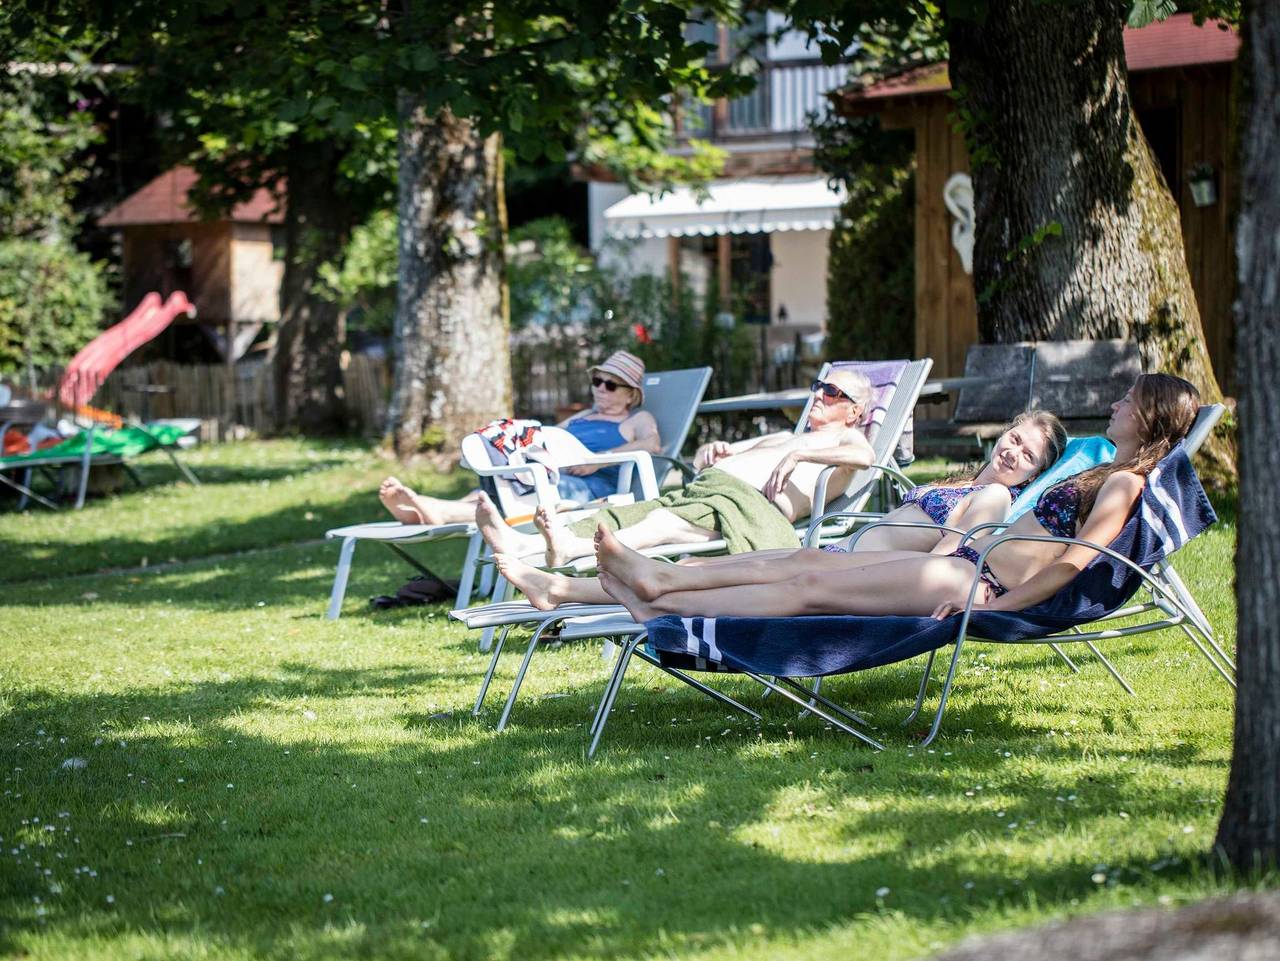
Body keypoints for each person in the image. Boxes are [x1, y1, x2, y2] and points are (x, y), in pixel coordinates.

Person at [592, 373, 1200, 623]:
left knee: (810, 589)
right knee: (807, 564)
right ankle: (660, 587)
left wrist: (997, 608)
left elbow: (1073, 563)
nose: (1117, 403)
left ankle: (664, 597)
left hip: (971, 582)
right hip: (964, 565)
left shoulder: (1123, 482)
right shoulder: (1109, 473)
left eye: (1129, 399)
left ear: (1146, 417)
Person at [492, 410, 1066, 610]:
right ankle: (560, 590)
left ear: (1036, 472)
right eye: (1013, 438)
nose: (1012, 451)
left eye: (1027, 454)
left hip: (856, 573)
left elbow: (947, 556)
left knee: (700, 579)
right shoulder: (969, 482)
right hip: (842, 558)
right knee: (696, 577)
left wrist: (884, 578)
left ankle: (561, 589)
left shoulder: (993, 498)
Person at [476, 367, 878, 567]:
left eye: (832, 391)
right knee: (623, 513)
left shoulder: (844, 439)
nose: (819, 395)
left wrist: (800, 456)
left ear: (855, 410)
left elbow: (866, 459)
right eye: (818, 388)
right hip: (711, 490)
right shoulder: (786, 436)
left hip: (747, 509)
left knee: (664, 525)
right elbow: (728, 449)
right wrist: (713, 449)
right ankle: (526, 545)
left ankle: (570, 549)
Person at [377, 351, 660, 526]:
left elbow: (652, 445)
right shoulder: (582, 415)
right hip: (554, 477)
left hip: (590, 487)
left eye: (610, 385)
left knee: (513, 491)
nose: (600, 389)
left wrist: (598, 462)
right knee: (505, 482)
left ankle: (429, 509)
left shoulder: (636, 420)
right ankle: (429, 509)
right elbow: (543, 439)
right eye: (597, 381)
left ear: (630, 394)